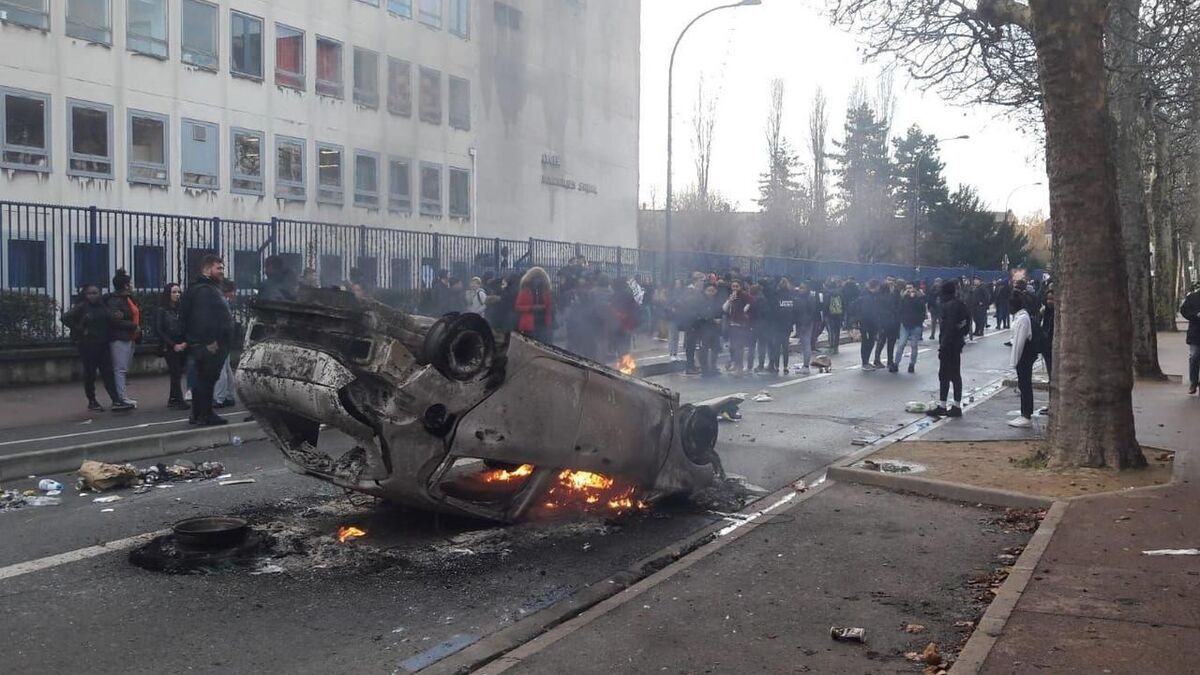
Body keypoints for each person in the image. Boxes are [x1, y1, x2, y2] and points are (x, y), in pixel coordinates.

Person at [180, 255, 233, 426]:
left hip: (201, 343)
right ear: (206, 269)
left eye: (222, 268)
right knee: (206, 380)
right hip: (208, 345)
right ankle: (205, 414)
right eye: (218, 268)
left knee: (202, 380)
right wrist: (211, 341)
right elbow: (204, 318)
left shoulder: (202, 288)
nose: (222, 272)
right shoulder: (205, 290)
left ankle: (198, 414)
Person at [61, 285, 124, 412]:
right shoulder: (82, 306)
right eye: (90, 293)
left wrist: (116, 316)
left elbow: (108, 319)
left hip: (103, 343)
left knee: (108, 372)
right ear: (85, 295)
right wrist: (79, 328)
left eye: (95, 293)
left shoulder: (102, 306)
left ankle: (116, 400)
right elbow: (65, 317)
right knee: (90, 373)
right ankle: (92, 400)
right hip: (88, 344)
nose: (93, 296)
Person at [927, 280, 971, 418]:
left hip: (949, 345)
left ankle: (944, 406)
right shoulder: (961, 304)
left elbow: (948, 328)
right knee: (955, 375)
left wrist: (943, 346)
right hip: (957, 343)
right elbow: (965, 324)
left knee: (945, 376)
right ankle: (956, 405)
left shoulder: (949, 306)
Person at [105, 269, 141, 409]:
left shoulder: (127, 298)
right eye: (129, 283)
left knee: (123, 368)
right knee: (119, 368)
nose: (131, 285)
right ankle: (121, 397)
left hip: (130, 337)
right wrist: (132, 326)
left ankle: (123, 396)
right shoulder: (115, 301)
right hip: (120, 337)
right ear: (125, 285)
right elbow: (114, 319)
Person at [156, 283, 190, 410]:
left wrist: (185, 342)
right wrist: (173, 344)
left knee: (178, 372)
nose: (177, 295)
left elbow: (186, 325)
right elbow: (159, 330)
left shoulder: (181, 309)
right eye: (174, 292)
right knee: (175, 372)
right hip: (169, 346)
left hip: (181, 343)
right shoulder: (162, 310)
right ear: (168, 294)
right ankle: (179, 399)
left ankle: (173, 398)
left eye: (178, 292)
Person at [1008, 292, 1039, 428]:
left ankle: (1026, 414)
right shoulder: (1020, 317)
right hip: (1022, 355)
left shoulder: (1022, 319)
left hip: (1024, 355)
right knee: (1023, 384)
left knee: (1025, 385)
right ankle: (1023, 413)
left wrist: (1014, 361)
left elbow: (1019, 343)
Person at [212, 280, 239, 409]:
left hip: (220, 339)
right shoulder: (229, 303)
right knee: (227, 368)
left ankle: (220, 398)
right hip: (227, 339)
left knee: (220, 369)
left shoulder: (220, 303)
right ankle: (229, 396)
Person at [515, 267, 554, 343]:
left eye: (540, 278)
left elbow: (550, 306)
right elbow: (518, 307)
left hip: (543, 323)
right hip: (530, 325)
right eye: (535, 278)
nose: (537, 281)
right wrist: (531, 308)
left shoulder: (546, 290)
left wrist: (547, 309)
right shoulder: (525, 290)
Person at [894, 282, 925, 374]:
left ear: (914, 289)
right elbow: (899, 309)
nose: (909, 290)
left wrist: (913, 298)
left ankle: (912, 364)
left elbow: (922, 309)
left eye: (910, 288)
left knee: (914, 345)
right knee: (901, 344)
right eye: (907, 288)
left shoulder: (919, 298)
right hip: (905, 325)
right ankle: (896, 364)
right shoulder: (903, 298)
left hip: (916, 325)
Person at [722, 279, 751, 375]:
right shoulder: (731, 297)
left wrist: (743, 313)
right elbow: (725, 309)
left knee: (739, 347)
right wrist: (730, 301)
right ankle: (734, 364)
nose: (735, 288)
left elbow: (746, 310)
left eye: (737, 286)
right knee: (733, 347)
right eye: (733, 286)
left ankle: (739, 367)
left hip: (741, 326)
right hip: (732, 325)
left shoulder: (745, 297)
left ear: (740, 287)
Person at [695, 284, 724, 377]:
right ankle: (704, 369)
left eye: (713, 291)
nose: (711, 293)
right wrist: (712, 319)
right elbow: (701, 314)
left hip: (715, 329)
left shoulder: (717, 301)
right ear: (705, 291)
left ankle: (713, 367)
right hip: (704, 328)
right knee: (704, 349)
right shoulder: (701, 301)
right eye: (709, 291)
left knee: (715, 348)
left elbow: (721, 311)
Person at [767, 278, 795, 375]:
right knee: (785, 346)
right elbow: (794, 311)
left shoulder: (776, 296)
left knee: (777, 346)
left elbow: (773, 311)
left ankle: (776, 366)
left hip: (777, 325)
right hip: (787, 325)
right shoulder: (791, 297)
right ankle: (786, 367)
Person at [792, 282, 819, 375]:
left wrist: (806, 322)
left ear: (807, 289)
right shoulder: (801, 298)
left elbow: (811, 312)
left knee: (806, 344)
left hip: (805, 323)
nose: (800, 289)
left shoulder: (808, 298)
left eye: (802, 288)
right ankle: (805, 364)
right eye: (800, 287)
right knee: (804, 344)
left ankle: (806, 366)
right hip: (801, 323)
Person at [873, 279, 900, 370]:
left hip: (889, 322)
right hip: (887, 322)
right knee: (885, 342)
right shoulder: (885, 297)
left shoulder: (889, 295)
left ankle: (884, 360)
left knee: (885, 342)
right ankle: (884, 360)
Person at [856, 280, 881, 371]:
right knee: (866, 343)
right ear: (875, 286)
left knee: (870, 342)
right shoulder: (867, 296)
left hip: (871, 324)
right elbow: (868, 312)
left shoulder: (872, 295)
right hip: (866, 324)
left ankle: (866, 361)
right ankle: (864, 363)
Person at [1181, 283, 1200, 395]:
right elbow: (1184, 310)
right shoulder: (1193, 297)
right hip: (1196, 333)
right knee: (1194, 357)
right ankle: (1193, 382)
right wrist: (1195, 315)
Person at [824, 279, 844, 354]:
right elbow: (844, 304)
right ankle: (836, 345)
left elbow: (826, 304)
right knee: (837, 330)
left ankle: (831, 344)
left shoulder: (828, 293)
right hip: (839, 314)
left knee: (831, 330)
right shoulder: (840, 293)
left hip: (830, 314)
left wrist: (825, 314)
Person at [1040, 288, 1056, 381]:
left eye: (1052, 299)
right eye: (1048, 299)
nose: (1049, 301)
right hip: (1046, 347)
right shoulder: (1045, 312)